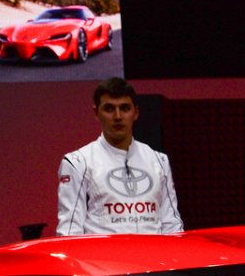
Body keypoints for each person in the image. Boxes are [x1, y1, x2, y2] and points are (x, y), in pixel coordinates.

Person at [56, 77, 183, 235]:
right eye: (109, 109)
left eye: (124, 108)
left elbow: (172, 224)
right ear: (96, 113)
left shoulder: (158, 160)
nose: (118, 116)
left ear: (136, 113)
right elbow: (69, 230)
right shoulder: (78, 162)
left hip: (153, 258)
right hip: (102, 259)